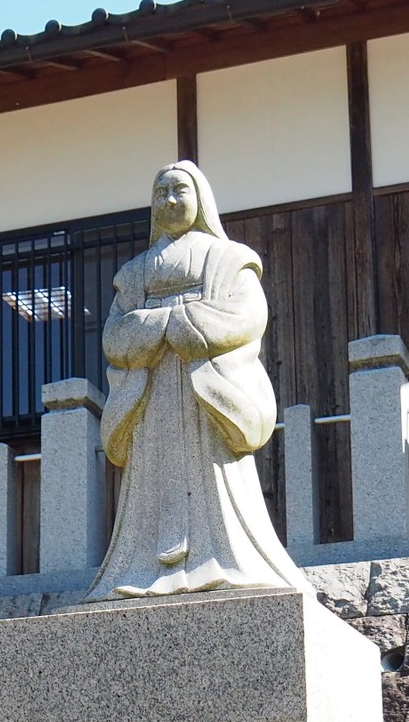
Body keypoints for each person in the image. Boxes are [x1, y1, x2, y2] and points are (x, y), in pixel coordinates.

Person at [85, 161, 314, 601]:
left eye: (179, 191)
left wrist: (169, 323)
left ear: (200, 199)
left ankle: (225, 559)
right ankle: (140, 568)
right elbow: (115, 336)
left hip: (208, 394)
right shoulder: (133, 274)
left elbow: (246, 318)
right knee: (149, 483)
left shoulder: (231, 261)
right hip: (150, 401)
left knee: (218, 483)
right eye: (161, 192)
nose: (169, 200)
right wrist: (172, 325)